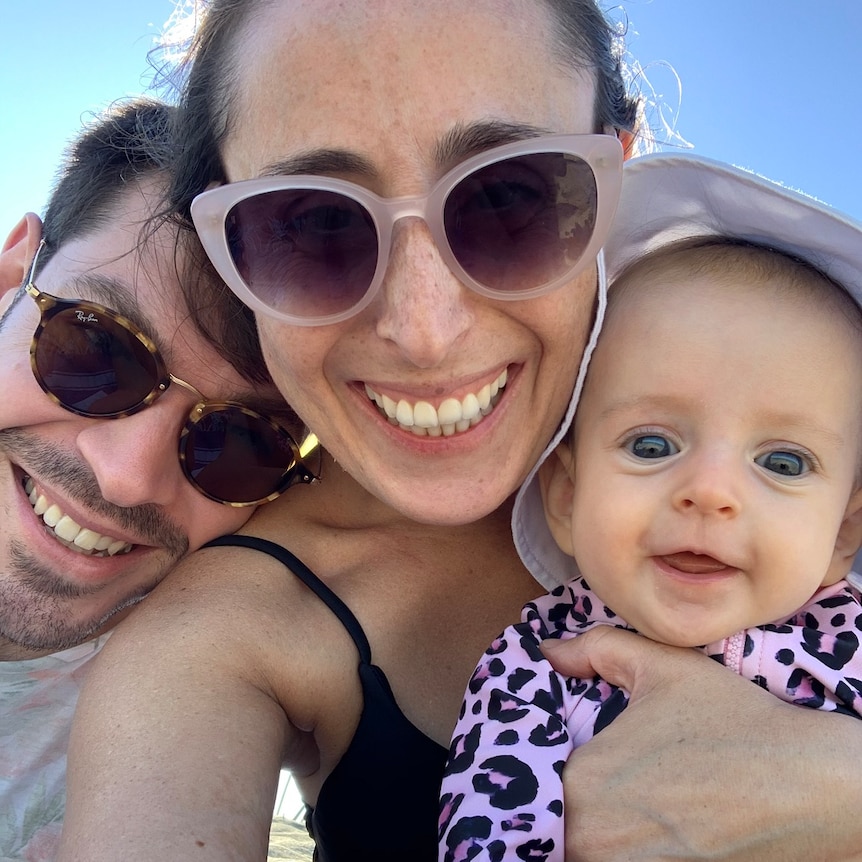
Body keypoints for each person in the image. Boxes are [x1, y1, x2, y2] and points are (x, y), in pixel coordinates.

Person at [57, 3, 862, 861]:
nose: (424, 329)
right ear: (231, 246)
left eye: (508, 194)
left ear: (612, 181)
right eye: (314, 222)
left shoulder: (814, 435)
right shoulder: (217, 642)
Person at [438, 153, 862, 860]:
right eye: (653, 443)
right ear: (568, 499)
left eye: (782, 462)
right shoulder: (541, 663)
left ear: (845, 529)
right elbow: (489, 831)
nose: (711, 492)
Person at [0, 98, 314, 861]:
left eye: (243, 439)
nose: (129, 476)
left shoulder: (211, 690)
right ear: (10, 276)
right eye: (94, 351)